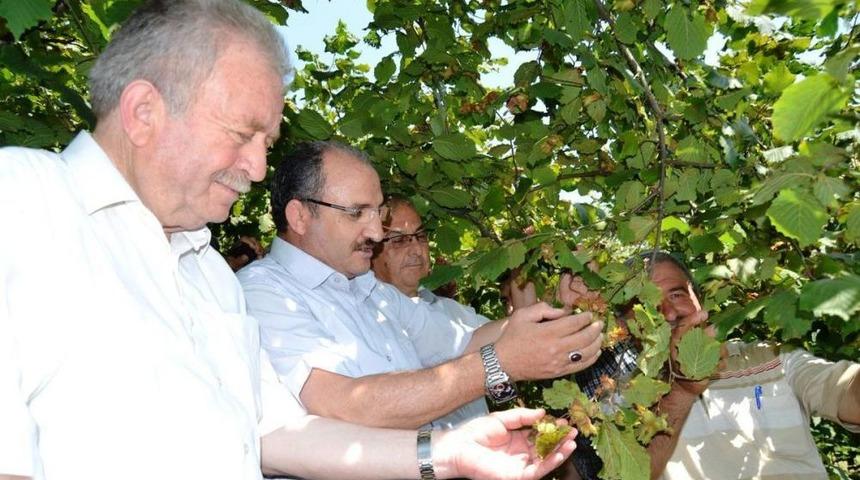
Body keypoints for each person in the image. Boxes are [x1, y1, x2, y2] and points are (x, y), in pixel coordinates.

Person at [0, 1, 578, 479]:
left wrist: (446, 454)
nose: (255, 168)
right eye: (241, 134)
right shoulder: (22, 200)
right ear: (144, 111)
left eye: (266, 143)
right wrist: (497, 367)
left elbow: (275, 433)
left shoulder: (207, 275)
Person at [238, 140, 605, 431]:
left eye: (377, 213)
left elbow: (464, 341)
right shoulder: (261, 294)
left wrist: (557, 307)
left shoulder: (370, 290)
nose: (377, 232)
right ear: (300, 216)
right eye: (356, 213)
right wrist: (498, 364)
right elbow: (346, 405)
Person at [566, 252, 860, 479]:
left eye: (677, 294)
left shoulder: (773, 358)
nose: (668, 311)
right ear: (624, 325)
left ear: (699, 300)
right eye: (646, 303)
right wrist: (681, 390)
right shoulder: (613, 400)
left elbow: (850, 395)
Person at [370, 195, 491, 426]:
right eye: (398, 240)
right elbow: (503, 341)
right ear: (371, 250)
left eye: (420, 236)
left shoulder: (451, 310)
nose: (416, 249)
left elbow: (517, 335)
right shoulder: (373, 315)